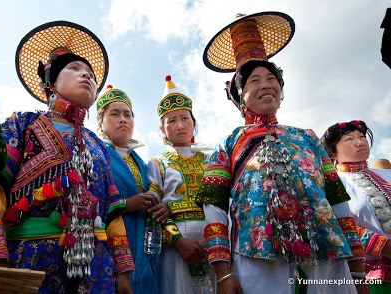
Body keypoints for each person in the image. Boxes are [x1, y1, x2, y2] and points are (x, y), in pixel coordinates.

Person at [196, 12, 367, 294]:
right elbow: (214, 211)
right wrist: (223, 273)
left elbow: (337, 201)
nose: (265, 84)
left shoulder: (307, 137)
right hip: (256, 253)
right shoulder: (228, 143)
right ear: (240, 97)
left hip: (326, 251)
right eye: (253, 80)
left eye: (271, 78)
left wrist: (358, 269)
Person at [0, 21, 134, 293]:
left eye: (91, 74)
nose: (87, 76)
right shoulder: (24, 124)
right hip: (30, 258)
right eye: (75, 69)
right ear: (52, 83)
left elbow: (112, 211)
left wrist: (123, 271)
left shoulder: (99, 145)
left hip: (97, 267)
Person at [96, 85, 169, 293]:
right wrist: (126, 205)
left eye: (128, 114)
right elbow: (90, 199)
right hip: (110, 245)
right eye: (115, 114)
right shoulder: (96, 155)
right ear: (100, 123)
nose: (123, 119)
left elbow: (157, 197)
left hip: (145, 248)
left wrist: (163, 208)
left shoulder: (144, 165)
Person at [147, 75, 215, 294]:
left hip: (212, 238)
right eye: (171, 121)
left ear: (193, 122)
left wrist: (214, 239)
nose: (179, 125)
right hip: (176, 245)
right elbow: (153, 210)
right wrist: (178, 241)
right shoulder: (157, 163)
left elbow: (224, 203)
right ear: (162, 130)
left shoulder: (212, 159)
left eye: (185, 118)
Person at [322, 120, 391, 293]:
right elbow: (336, 224)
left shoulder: (387, 174)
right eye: (349, 139)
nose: (360, 142)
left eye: (361, 137)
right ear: (332, 151)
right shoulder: (331, 183)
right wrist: (385, 246)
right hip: (373, 276)